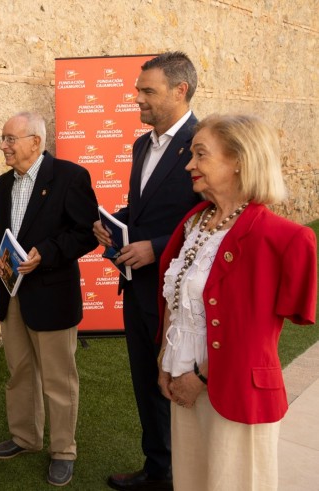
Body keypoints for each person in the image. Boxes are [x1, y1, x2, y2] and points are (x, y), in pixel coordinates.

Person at [156, 114, 316, 490]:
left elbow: (256, 335)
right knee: (191, 481)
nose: (189, 165)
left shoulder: (282, 238)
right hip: (182, 383)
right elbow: (177, 300)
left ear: (239, 160)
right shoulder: (195, 222)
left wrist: (199, 378)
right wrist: (165, 361)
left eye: (200, 155)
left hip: (237, 394)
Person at [93, 51, 202, 491]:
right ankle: (159, 469)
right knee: (145, 379)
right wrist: (114, 223)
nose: (136, 97)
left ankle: (188, 473)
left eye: (147, 91)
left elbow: (207, 215)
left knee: (176, 383)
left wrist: (155, 248)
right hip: (136, 288)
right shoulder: (142, 144)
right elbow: (147, 208)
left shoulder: (203, 141)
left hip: (176, 293)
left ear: (181, 91)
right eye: (138, 89)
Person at [0, 112, 99, 486]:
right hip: (11, 294)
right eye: (2, 138)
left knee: (58, 379)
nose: (3, 145)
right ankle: (25, 437)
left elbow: (86, 234)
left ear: (35, 141)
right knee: (19, 371)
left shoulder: (70, 177)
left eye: (10, 139)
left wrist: (45, 253)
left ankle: (63, 450)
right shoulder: (3, 184)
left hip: (51, 296)